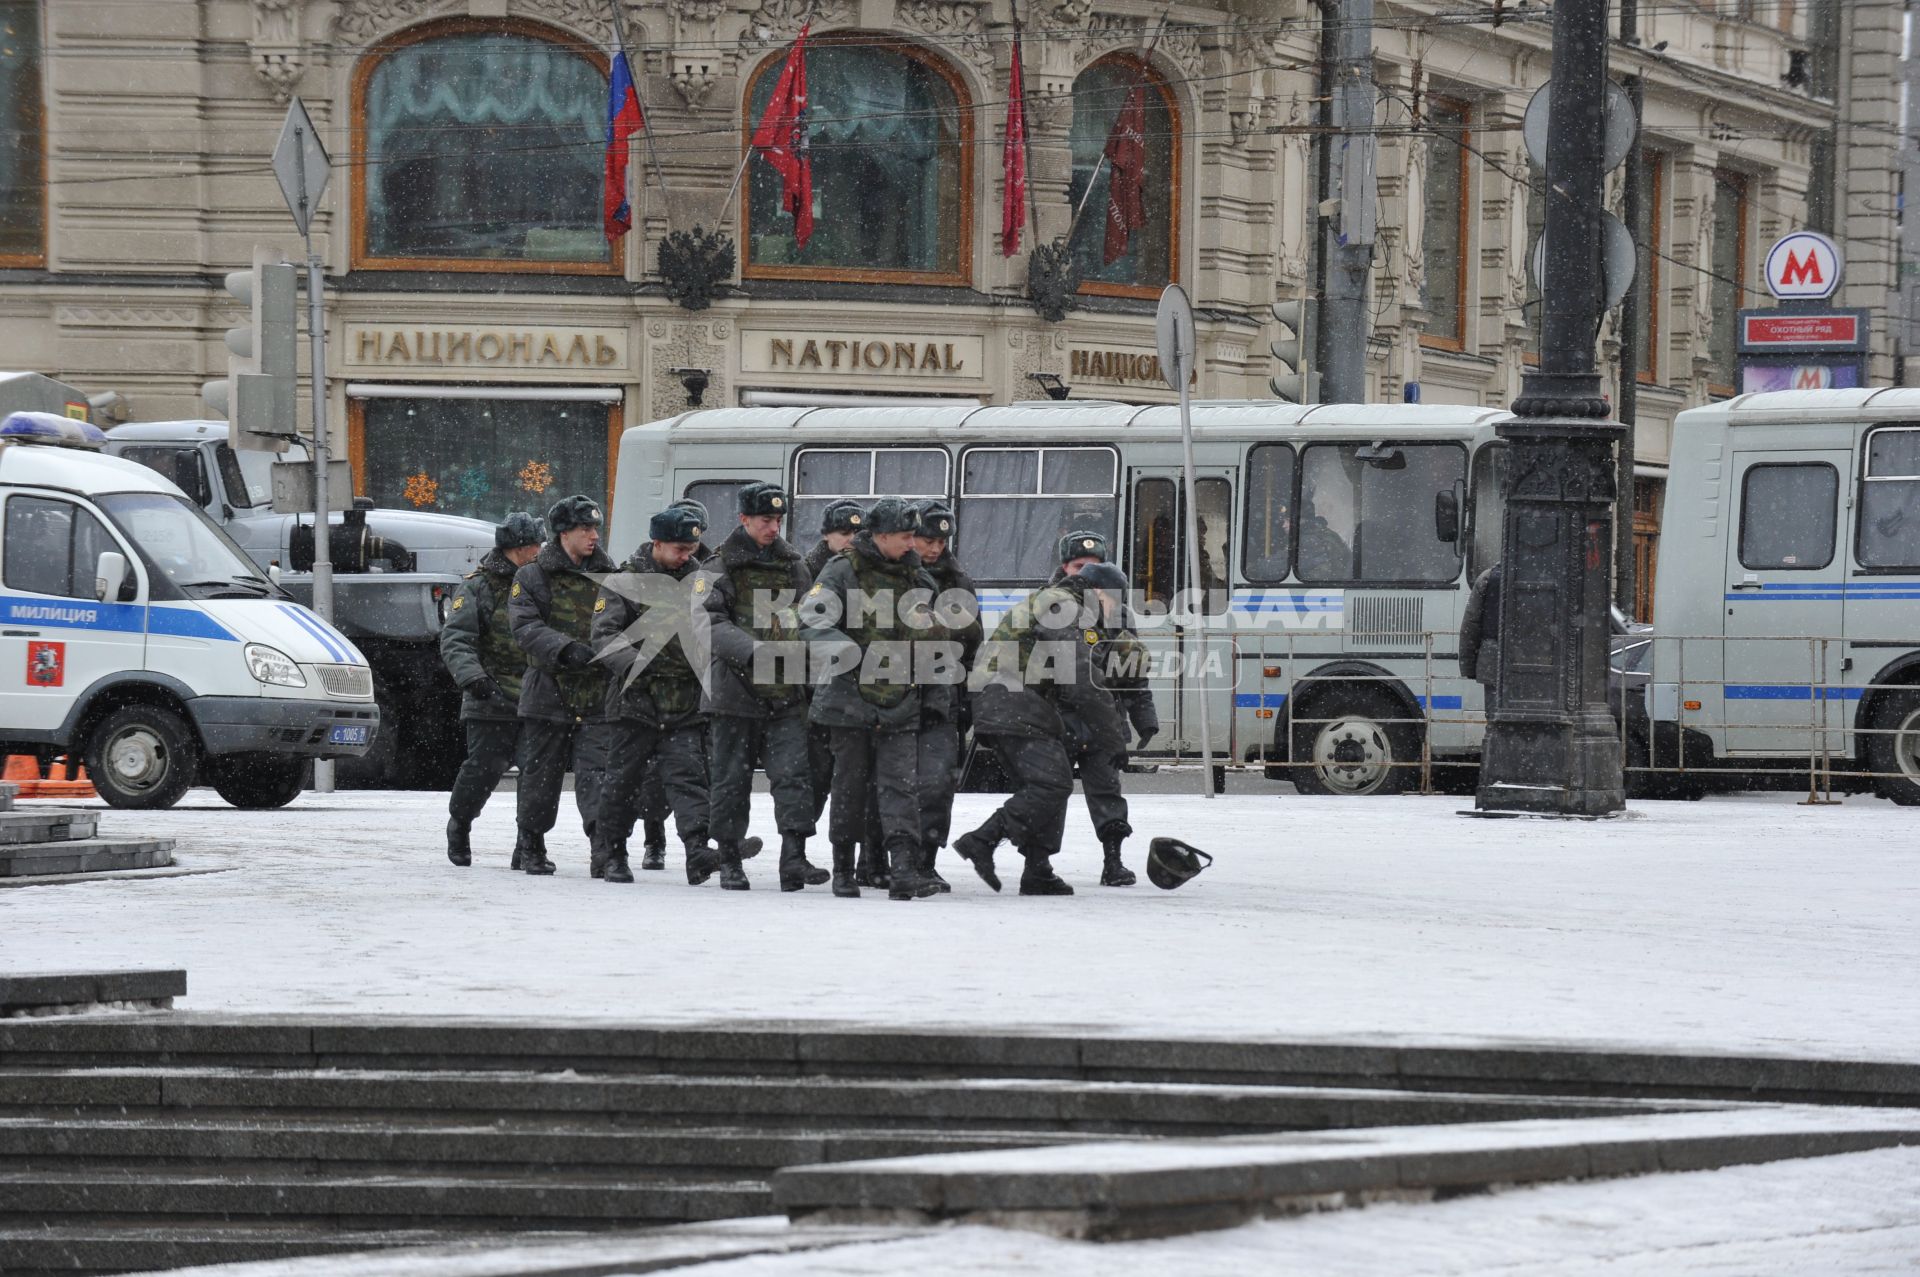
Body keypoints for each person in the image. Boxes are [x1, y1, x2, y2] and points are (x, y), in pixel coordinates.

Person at [801, 497, 950, 901]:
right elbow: (812, 617)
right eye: (905, 536)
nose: (913, 544)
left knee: (901, 787)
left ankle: (903, 869)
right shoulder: (842, 570)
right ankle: (844, 869)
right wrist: (846, 651)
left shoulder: (919, 580)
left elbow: (933, 637)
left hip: (901, 700)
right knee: (849, 786)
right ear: (881, 536)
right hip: (848, 699)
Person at [954, 562, 1131, 896]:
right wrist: (1112, 739)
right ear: (1097, 592)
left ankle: (1037, 870)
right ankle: (981, 840)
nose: (1115, 611)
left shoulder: (1052, 600)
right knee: (1052, 785)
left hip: (1008, 700)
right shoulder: (1065, 606)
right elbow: (1082, 680)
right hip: (1013, 700)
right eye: (1114, 602)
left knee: (1049, 782)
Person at [590, 504, 738, 886]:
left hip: (684, 703)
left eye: (691, 549)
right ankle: (613, 853)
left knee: (689, 780)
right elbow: (604, 635)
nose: (687, 556)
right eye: (679, 549)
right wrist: (638, 664)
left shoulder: (701, 582)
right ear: (656, 543)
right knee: (622, 782)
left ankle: (697, 850)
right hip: (634, 702)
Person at [702, 482, 828, 891]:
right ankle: (730, 859)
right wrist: (753, 651)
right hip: (734, 692)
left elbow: (810, 618)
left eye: (777, 520)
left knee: (794, 777)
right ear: (743, 519)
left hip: (786, 693)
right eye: (764, 520)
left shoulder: (793, 565)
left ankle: (794, 858)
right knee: (730, 781)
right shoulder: (718, 567)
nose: (773, 528)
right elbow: (707, 624)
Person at [507, 495, 616, 876]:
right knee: (541, 775)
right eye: (585, 528)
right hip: (548, 689)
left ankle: (603, 848)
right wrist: (566, 649)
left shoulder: (609, 574)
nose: (593, 536)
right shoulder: (532, 576)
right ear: (563, 533)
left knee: (599, 775)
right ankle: (531, 843)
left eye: (595, 528)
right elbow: (524, 627)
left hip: (597, 692)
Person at [1050, 531, 1156, 886]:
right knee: (1049, 793)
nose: (1087, 577)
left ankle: (1114, 861)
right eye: (1079, 568)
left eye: (1095, 569)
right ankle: (1038, 863)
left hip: (1105, 721)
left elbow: (1133, 669)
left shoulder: (1119, 614)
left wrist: (1146, 720)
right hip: (1058, 719)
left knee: (1108, 791)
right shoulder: (1048, 607)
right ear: (1064, 568)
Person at [439, 511, 543, 868]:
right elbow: (456, 638)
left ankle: (527, 844)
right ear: (517, 548)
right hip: (491, 695)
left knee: (536, 773)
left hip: (535, 695)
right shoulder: (478, 587)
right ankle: (461, 823)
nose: (539, 551)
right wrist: (474, 680)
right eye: (533, 546)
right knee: (482, 770)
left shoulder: (542, 583)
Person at [910, 499, 981, 892]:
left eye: (940, 540)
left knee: (937, 786)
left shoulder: (959, 582)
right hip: (894, 696)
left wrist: (969, 698)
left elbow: (973, 645)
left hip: (944, 700)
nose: (934, 548)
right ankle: (876, 860)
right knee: (884, 785)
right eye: (926, 538)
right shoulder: (896, 576)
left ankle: (926, 860)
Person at [1458, 561, 1502, 700]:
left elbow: (1470, 625)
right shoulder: (1553, 576)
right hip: (1540, 664)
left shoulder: (1488, 577)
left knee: (1494, 714)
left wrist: (1469, 667)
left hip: (1493, 659)